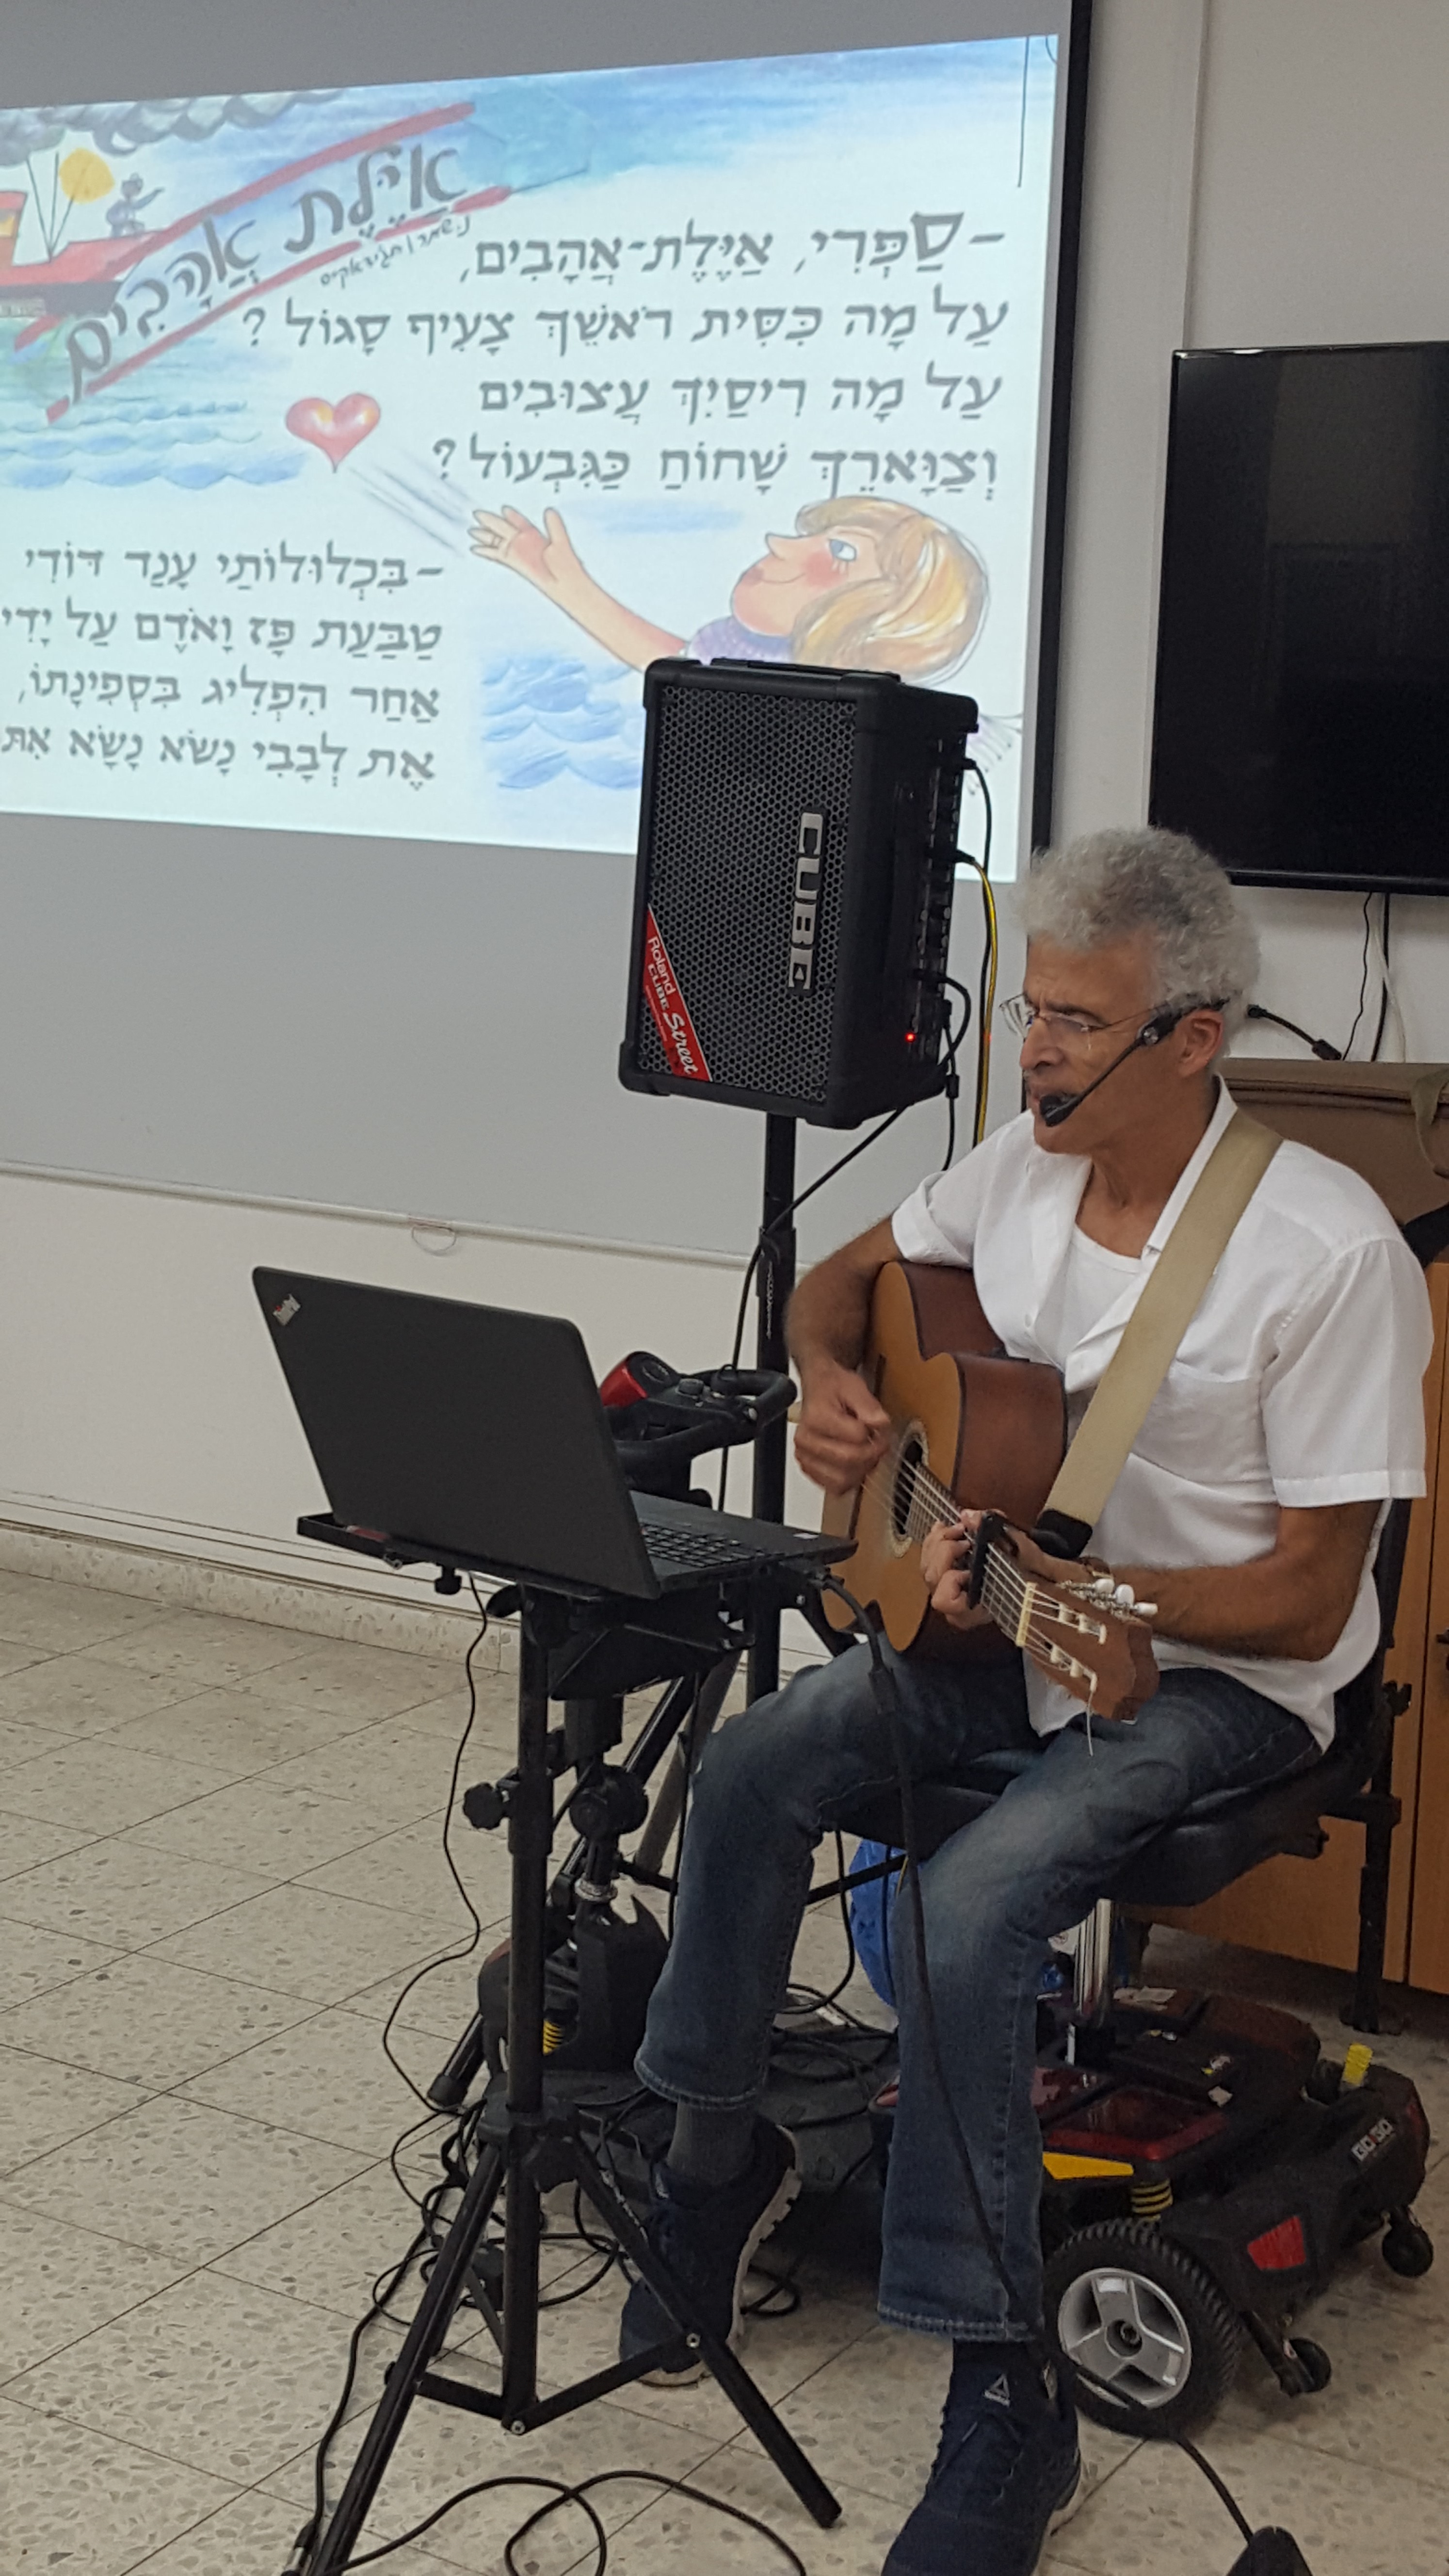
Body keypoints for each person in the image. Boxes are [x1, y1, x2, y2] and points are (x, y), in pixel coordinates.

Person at [616, 827, 1433, 2576]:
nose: (1033, 1051)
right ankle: (707, 2163)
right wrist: (831, 1387)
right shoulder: (1019, 1166)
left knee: (974, 1902)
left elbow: (1313, 1592)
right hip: (1008, 1628)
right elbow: (838, 1285)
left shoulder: (1322, 1249)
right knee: (756, 1763)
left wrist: (1107, 1601)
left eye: (1074, 1022)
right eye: (1028, 1012)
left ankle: (1005, 2390)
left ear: (1193, 1037)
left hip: (1224, 1683)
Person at [470, 493, 987, 681]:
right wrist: (564, 582)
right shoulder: (740, 657)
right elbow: (671, 666)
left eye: (840, 552)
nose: (777, 544)